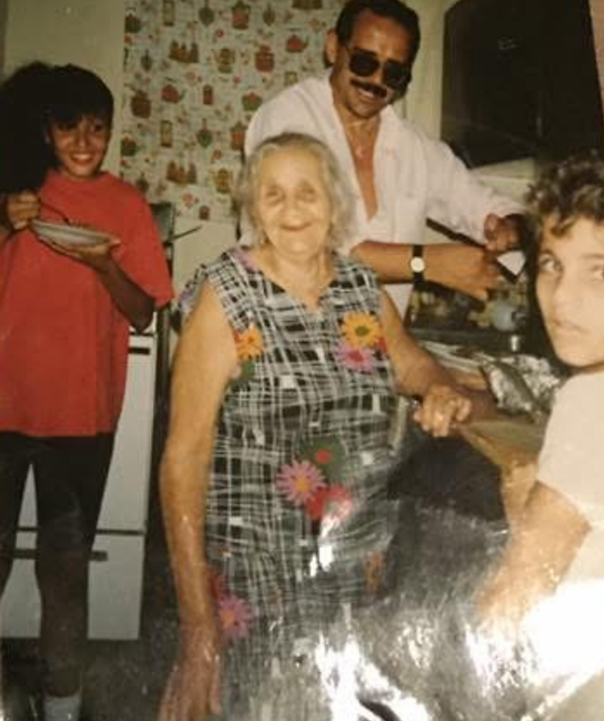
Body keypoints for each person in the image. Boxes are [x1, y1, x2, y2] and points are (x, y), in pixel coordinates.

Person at [159, 132, 494, 721]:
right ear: (253, 207)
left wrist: (437, 383)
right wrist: (196, 627)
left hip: (355, 568)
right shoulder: (226, 296)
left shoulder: (360, 288)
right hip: (257, 574)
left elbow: (406, 359)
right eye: (274, 195)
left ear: (334, 204)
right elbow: (183, 458)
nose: (292, 211)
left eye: (307, 193)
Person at [0, 62, 174, 721]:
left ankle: (64, 702)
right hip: (5, 406)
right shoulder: (17, 191)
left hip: (82, 415)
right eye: (69, 126)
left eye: (97, 128)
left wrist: (105, 263)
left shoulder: (127, 205)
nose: (83, 140)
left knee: (65, 570)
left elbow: (143, 313)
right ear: (45, 130)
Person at [424, 154, 604, 719]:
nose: (562, 297)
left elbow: (506, 612)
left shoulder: (590, 402)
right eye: (552, 263)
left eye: (598, 269)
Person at [245, 0, 523, 317]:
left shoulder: (414, 148)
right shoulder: (288, 119)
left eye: (393, 73)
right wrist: (427, 262)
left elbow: (486, 206)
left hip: (373, 349)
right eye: (364, 61)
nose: (375, 81)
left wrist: (510, 227)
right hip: (279, 334)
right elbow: (311, 247)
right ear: (334, 47)